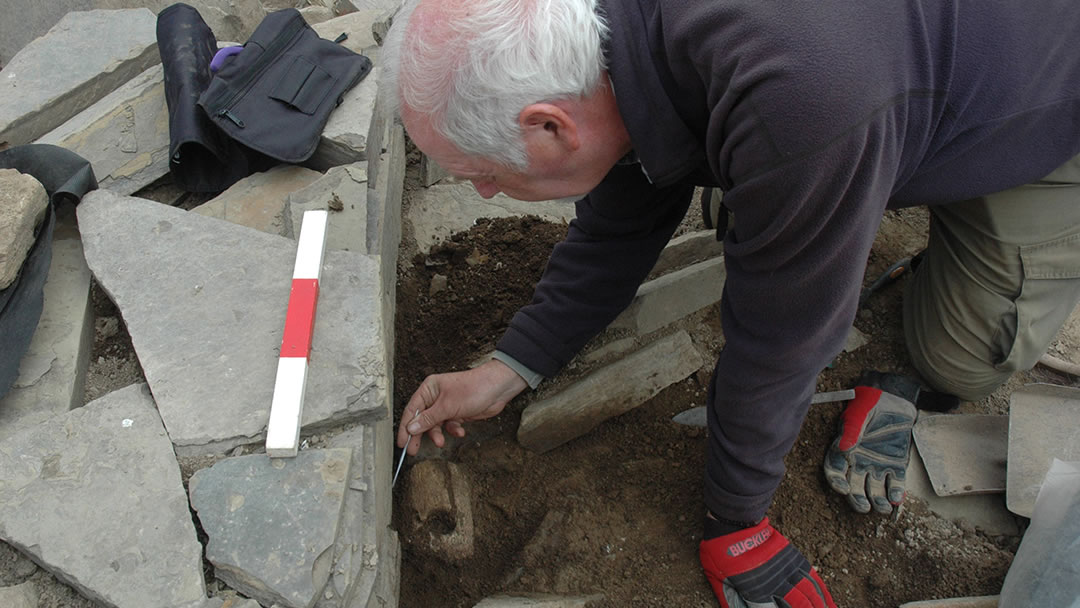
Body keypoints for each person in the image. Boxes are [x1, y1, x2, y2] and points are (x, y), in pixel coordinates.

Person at [381, 0, 1080, 605]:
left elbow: (784, 336)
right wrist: (511, 366)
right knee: (774, 182)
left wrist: (736, 523)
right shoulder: (601, 40)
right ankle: (838, 185)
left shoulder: (799, 99)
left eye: (481, 174)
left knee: (959, 357)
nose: (483, 194)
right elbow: (626, 203)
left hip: (1036, 104)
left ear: (550, 126)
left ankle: (887, 237)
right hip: (877, 84)